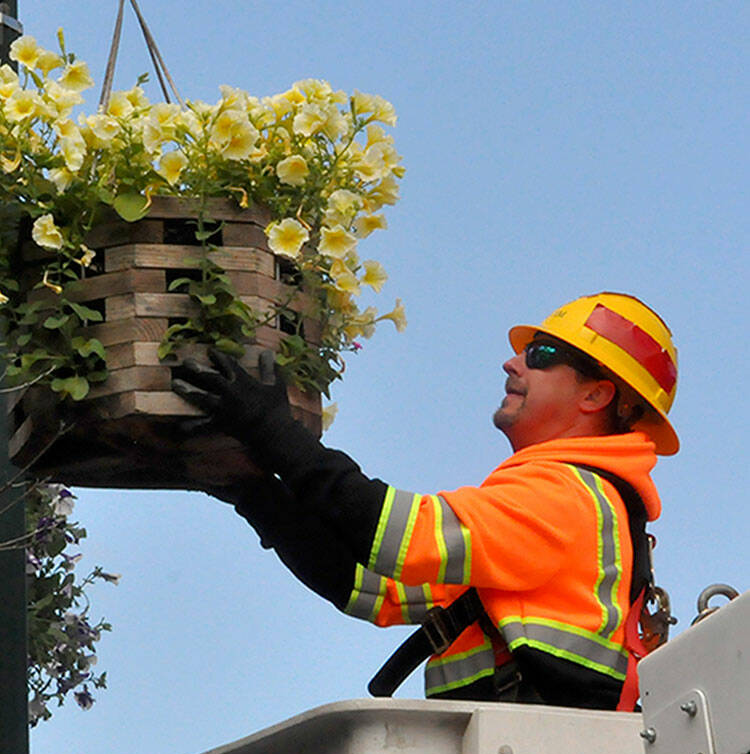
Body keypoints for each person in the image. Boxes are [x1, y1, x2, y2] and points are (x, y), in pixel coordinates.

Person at [172, 292, 678, 710]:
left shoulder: (565, 497)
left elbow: (399, 538)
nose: (512, 361)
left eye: (542, 355)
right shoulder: (572, 501)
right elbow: (372, 587)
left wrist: (269, 430)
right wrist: (255, 492)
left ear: (595, 397)